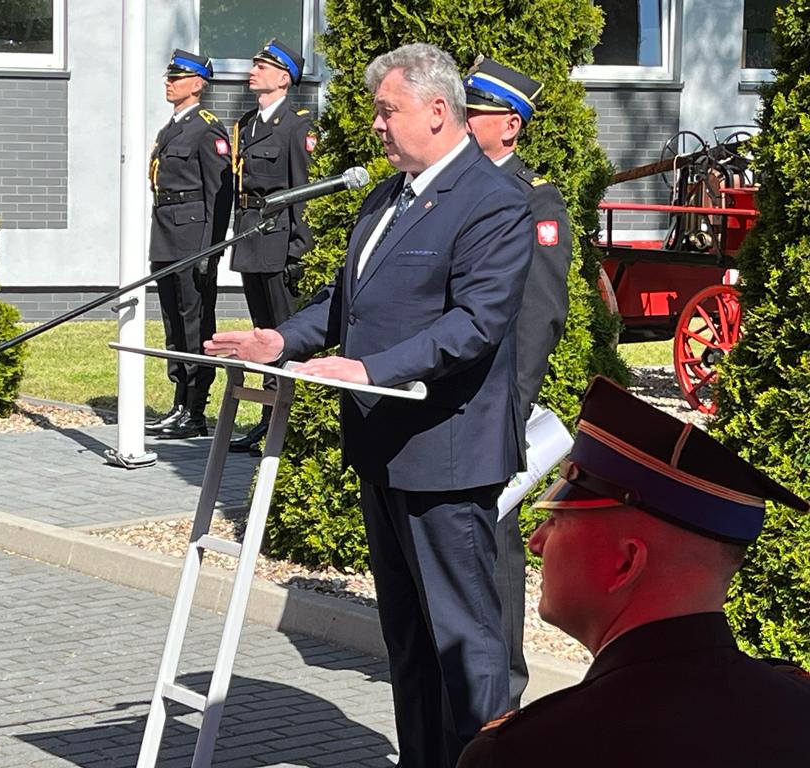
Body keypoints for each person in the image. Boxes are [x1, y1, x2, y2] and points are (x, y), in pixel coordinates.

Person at [207, 43, 533, 768]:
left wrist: (369, 368)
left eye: (388, 111)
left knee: (466, 643)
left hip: (447, 455)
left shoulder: (494, 202)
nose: (376, 125)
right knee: (408, 641)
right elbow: (341, 303)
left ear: (438, 110)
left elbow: (475, 324)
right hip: (384, 448)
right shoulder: (387, 196)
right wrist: (279, 340)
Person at [457, 376, 810, 768]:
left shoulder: (522, 752)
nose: (536, 542)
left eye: (556, 521)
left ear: (626, 563)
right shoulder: (797, 708)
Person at [464, 56, 572, 708]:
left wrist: (512, 407)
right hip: (446, 404)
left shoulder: (537, 199)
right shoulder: (452, 190)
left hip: (495, 404)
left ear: (510, 125)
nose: (462, 120)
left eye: (474, 112)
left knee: (496, 538)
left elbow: (540, 315)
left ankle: (504, 692)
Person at [228, 38, 316, 454]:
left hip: (279, 242)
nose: (252, 72)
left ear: (284, 79)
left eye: (261, 67)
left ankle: (290, 418)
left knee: (284, 333)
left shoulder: (297, 126)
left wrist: (299, 249)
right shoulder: (247, 124)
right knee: (261, 330)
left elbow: (303, 192)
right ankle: (268, 417)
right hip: (251, 238)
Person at [144, 50, 232, 439]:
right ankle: (179, 401)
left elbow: (219, 195)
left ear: (197, 85)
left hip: (193, 239)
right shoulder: (170, 130)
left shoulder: (207, 129)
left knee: (195, 322)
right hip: (166, 235)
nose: (169, 83)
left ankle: (196, 409)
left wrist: (210, 250)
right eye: (169, 77)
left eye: (176, 78)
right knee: (173, 323)